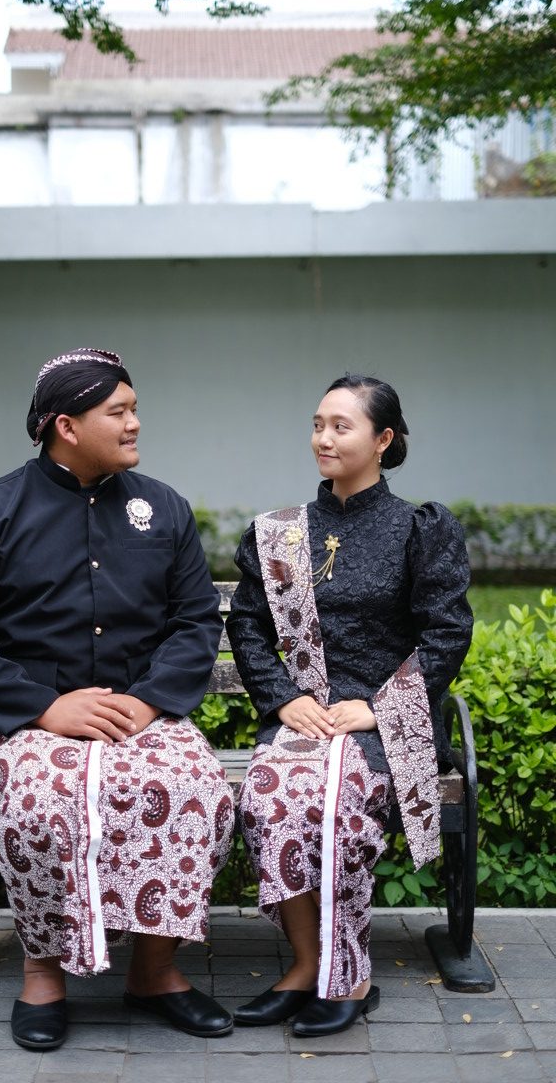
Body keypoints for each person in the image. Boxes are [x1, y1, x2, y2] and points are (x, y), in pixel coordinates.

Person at [0, 348, 235, 1051]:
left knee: (197, 788)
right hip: (30, 721)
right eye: (118, 411)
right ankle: (43, 974)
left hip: (141, 714)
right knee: (42, 804)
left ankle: (154, 972)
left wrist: (149, 702)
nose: (135, 423)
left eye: (134, 409)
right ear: (66, 425)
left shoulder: (163, 507)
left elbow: (195, 621)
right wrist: (45, 708)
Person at [225, 374, 473, 1037]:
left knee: (337, 803)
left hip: (387, 723)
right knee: (270, 795)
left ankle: (351, 977)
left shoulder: (419, 529)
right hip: (307, 716)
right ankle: (308, 965)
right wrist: (284, 699)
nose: (323, 439)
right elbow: (247, 624)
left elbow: (447, 631)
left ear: (383, 439)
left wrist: (379, 709)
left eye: (341, 426)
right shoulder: (281, 533)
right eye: (318, 425)